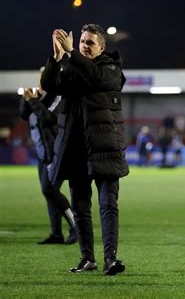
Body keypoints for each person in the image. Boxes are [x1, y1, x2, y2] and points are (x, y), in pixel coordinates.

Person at [41, 24, 129, 275]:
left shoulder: (111, 68)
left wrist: (72, 55)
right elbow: (50, 85)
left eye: (90, 43)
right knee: (80, 209)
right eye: (81, 42)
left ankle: (110, 259)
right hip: (75, 149)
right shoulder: (72, 65)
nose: (83, 46)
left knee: (108, 205)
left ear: (102, 47)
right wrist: (57, 57)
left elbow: (94, 77)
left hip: (105, 148)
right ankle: (87, 258)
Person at [19, 71, 77, 245]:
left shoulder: (60, 97)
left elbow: (49, 118)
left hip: (56, 153)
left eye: (47, 77)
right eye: (41, 77)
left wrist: (33, 101)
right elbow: (24, 116)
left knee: (49, 190)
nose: (43, 81)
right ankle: (56, 234)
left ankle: (76, 227)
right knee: (49, 194)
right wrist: (27, 99)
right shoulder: (42, 97)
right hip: (43, 154)